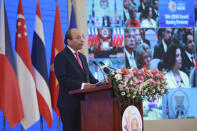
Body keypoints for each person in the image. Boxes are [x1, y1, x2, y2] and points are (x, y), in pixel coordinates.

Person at [54, 28, 98, 131]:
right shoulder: (61, 57)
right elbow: (63, 80)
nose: (82, 40)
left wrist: (103, 83)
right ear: (69, 41)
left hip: (85, 104)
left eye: (82, 37)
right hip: (69, 105)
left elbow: (90, 78)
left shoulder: (82, 57)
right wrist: (83, 86)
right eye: (78, 38)